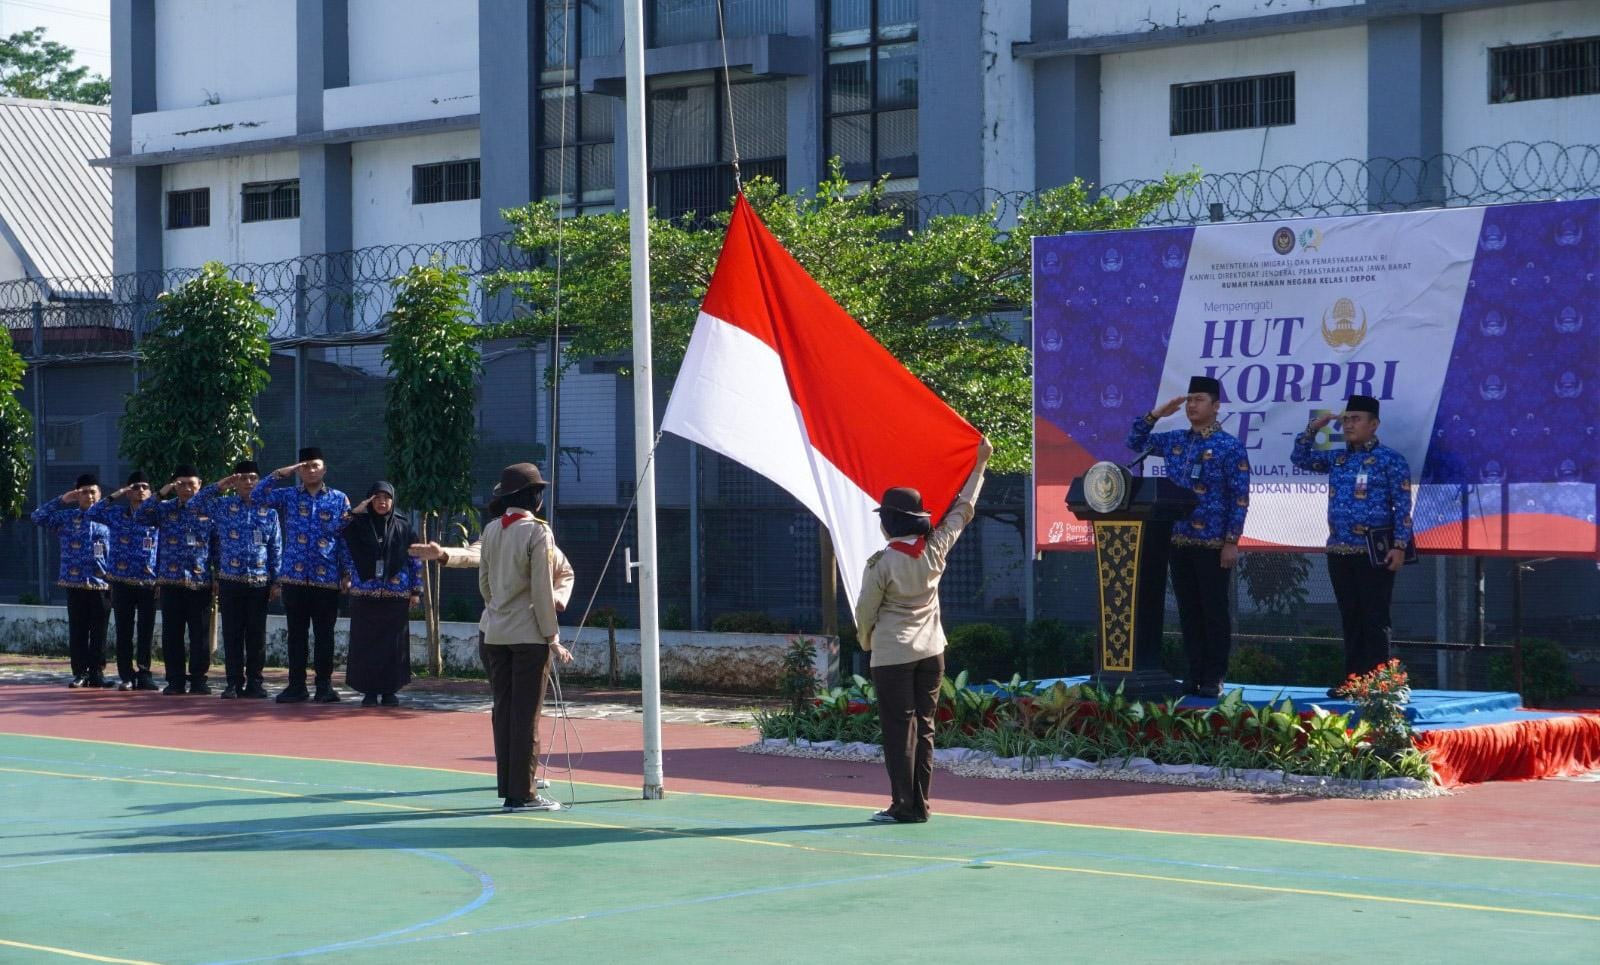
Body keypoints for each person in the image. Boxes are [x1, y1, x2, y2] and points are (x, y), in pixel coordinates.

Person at [855, 438, 990, 825]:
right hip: (932, 651)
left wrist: (866, 642)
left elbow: (866, 612)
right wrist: (979, 465)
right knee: (925, 728)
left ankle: (903, 806)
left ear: (889, 523)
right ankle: (922, 803)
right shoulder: (935, 548)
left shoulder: (881, 563)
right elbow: (964, 509)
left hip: (893, 654)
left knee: (900, 732)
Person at [1126, 376, 1252, 697]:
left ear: (1216, 406)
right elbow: (1135, 441)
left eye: (1199, 400)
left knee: (1213, 611)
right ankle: (1193, 674)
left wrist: (1231, 541)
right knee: (1188, 612)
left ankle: (1214, 676)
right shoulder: (1176, 440)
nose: (1192, 405)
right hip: (1178, 540)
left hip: (1213, 542)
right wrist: (1158, 413)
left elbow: (1239, 497)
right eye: (1190, 399)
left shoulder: (1229, 447)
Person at [1290, 394, 1413, 697]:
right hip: (1339, 551)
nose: (1348, 424)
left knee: (1375, 618)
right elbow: (1300, 458)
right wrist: (1312, 429)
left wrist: (1399, 546)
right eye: (1346, 418)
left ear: (1374, 424)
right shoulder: (1338, 458)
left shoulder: (1390, 460)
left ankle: (1380, 686)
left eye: (1356, 419)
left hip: (1375, 552)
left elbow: (1402, 507)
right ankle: (1354, 681)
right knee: (1351, 618)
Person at [470, 463, 573, 812]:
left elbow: (484, 583)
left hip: (495, 633)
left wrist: (498, 610)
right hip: (529, 635)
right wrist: (552, 636)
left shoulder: (492, 530)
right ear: (532, 497)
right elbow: (543, 590)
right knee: (526, 716)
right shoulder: (537, 532)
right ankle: (523, 794)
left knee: (504, 711)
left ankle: (508, 787)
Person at [253, 447, 350, 704]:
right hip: (294, 578)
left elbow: (345, 539)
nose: (310, 470)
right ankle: (296, 686)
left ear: (325, 469)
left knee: (324, 636)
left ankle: (324, 686)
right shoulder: (288, 496)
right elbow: (256, 496)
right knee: (296, 634)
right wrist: (280, 474)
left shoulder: (339, 499)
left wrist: (347, 573)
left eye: (315, 465)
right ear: (299, 470)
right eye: (305, 466)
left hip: (326, 578)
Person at [193, 461, 282, 699]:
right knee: (232, 633)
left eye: (253, 477)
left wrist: (276, 581)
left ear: (260, 481)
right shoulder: (223, 506)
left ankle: (255, 682)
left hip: (259, 581)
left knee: (256, 634)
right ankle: (233, 682)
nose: (249, 482)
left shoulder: (269, 511)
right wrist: (220, 486)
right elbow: (194, 504)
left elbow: (275, 548)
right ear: (236, 482)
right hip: (230, 580)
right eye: (243, 478)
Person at [337, 482, 422, 707]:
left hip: (396, 595)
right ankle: (369, 691)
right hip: (365, 593)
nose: (382, 502)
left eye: (387, 498)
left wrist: (416, 589)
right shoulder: (358, 524)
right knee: (365, 644)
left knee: (394, 646)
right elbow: (336, 534)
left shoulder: (404, 526)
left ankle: (390, 691)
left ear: (393, 500)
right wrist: (354, 512)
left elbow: (414, 559)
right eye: (376, 498)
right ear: (369, 500)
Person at [139, 466, 215, 695]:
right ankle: (175, 680)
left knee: (199, 634)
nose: (187, 488)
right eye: (181, 484)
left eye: (191, 483)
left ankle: (199, 679)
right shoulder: (164, 509)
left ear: (200, 484)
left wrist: (218, 574)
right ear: (174, 485)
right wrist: (161, 493)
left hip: (200, 581)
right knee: (172, 634)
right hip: (170, 582)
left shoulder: (211, 509)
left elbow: (219, 543)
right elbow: (140, 516)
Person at [31, 474, 112, 688]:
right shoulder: (67, 518)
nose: (89, 496)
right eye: (84, 492)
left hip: (102, 584)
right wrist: (62, 500)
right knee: (78, 630)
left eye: (93, 491)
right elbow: (37, 517)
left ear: (100, 494)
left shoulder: (111, 517)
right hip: (74, 583)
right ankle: (80, 673)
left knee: (99, 631)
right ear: (77, 495)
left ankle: (97, 673)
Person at [89, 472, 161, 690]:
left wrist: (161, 579)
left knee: (146, 630)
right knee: (124, 630)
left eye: (144, 487)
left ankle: (145, 673)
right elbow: (92, 512)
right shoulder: (117, 514)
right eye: (135, 487)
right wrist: (116, 494)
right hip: (121, 582)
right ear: (129, 492)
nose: (140, 491)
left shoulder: (157, 515)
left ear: (150, 492)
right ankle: (126, 675)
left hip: (148, 582)